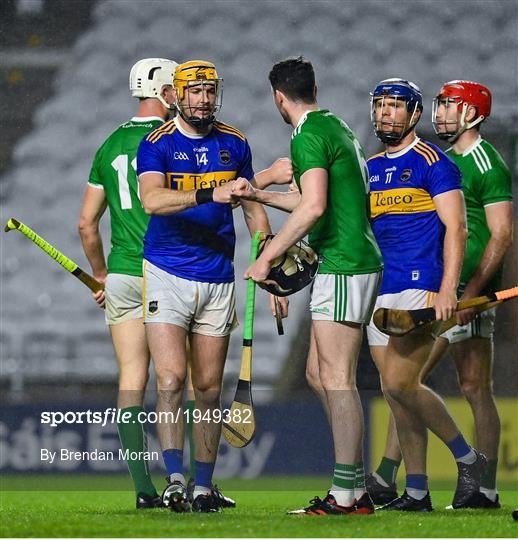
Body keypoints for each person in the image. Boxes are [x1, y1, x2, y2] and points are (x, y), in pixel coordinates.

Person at [79, 58, 291, 511]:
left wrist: (270, 264)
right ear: (177, 94)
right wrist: (208, 194)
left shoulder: (234, 143)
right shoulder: (156, 143)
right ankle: (174, 477)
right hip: (165, 272)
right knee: (172, 378)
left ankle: (203, 485)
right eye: (195, 91)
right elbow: (152, 200)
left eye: (210, 91)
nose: (204, 98)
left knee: (209, 386)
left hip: (217, 275)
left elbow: (252, 207)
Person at [232, 56, 383, 516]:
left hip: (343, 262)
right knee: (320, 375)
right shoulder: (331, 126)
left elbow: (313, 208)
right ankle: (353, 486)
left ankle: (347, 495)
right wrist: (260, 193)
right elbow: (308, 198)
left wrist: (267, 258)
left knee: (337, 378)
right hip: (346, 260)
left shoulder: (308, 135)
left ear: (279, 97)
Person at [367, 81, 513, 509]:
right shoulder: (443, 160)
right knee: (403, 383)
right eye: (442, 105)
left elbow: (501, 233)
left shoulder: (487, 164)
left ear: (474, 113)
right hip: (437, 288)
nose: (442, 113)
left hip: (463, 292)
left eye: (452, 106)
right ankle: (399, 478)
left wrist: (469, 289)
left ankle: (481, 482)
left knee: (470, 386)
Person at [79, 58, 178, 509]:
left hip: (120, 272)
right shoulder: (171, 141)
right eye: (177, 88)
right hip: (168, 270)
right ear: (161, 90)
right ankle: (191, 480)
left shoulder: (109, 144)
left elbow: (86, 224)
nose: (182, 96)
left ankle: (143, 489)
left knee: (132, 380)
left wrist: (100, 274)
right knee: (182, 379)